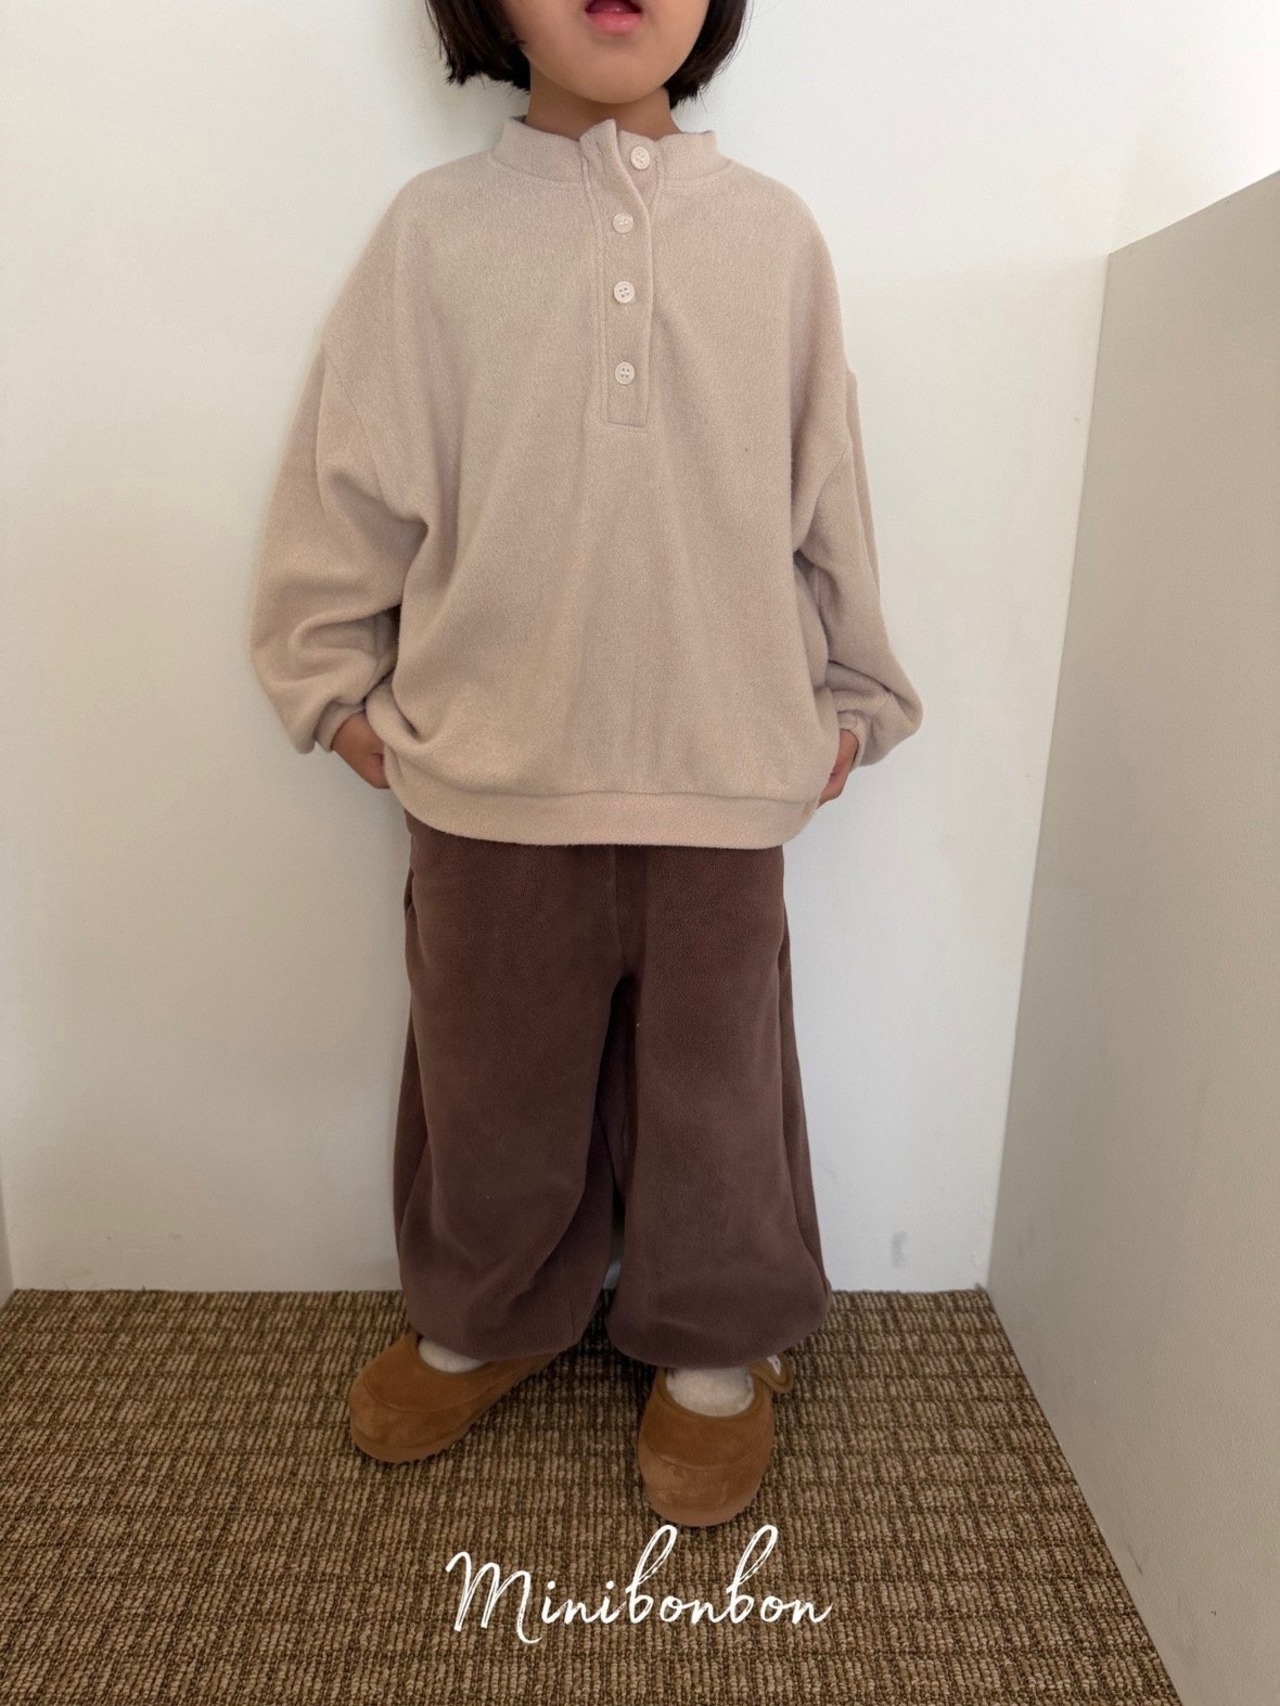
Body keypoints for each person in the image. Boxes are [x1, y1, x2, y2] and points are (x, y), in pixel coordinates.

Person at [248, 0, 923, 1529]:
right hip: (488, 777)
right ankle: (487, 1311)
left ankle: (715, 1342)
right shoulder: (432, 237)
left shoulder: (775, 239)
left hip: (722, 774)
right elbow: (346, 479)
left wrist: (855, 691)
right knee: (487, 1077)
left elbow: (828, 484)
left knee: (717, 1091)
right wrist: (328, 684)